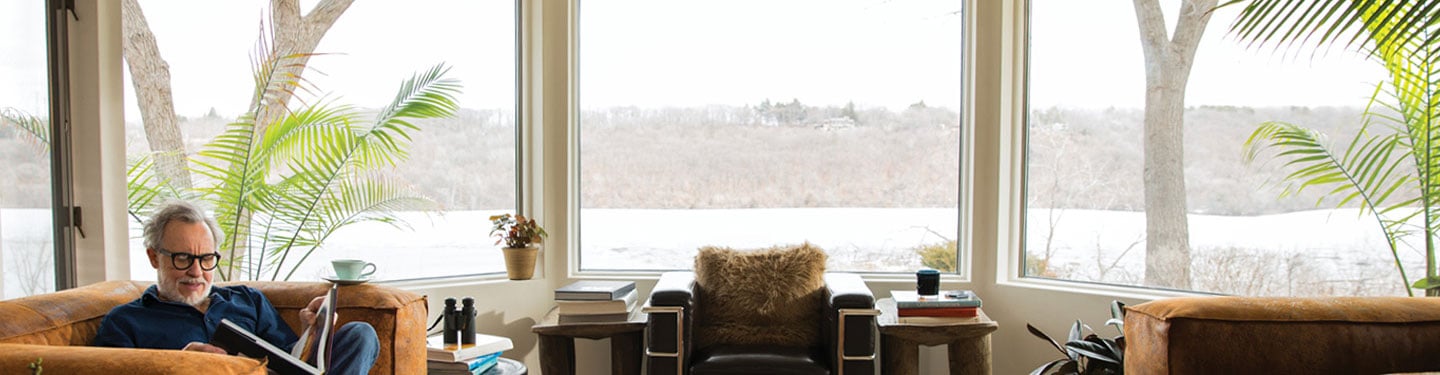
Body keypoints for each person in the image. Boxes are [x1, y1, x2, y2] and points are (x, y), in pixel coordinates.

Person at [94, 200, 379, 375]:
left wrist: (310, 331)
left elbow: (291, 360)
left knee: (360, 334)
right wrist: (180, 364)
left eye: (206, 259)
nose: (196, 272)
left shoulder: (247, 300)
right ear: (154, 257)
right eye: (183, 258)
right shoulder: (125, 322)